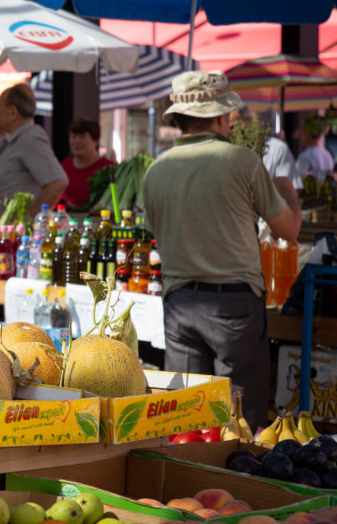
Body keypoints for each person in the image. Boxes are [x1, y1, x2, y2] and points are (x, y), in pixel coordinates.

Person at [142, 71, 302, 430]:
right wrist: (287, 191)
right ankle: (238, 487)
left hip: (179, 307)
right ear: (218, 115)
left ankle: (188, 484)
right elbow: (288, 229)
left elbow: (157, 234)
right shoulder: (241, 161)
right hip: (233, 308)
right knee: (240, 424)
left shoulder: (155, 171)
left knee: (187, 422)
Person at [0, 83, 67, 216]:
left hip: (15, 233)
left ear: (13, 112)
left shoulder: (30, 138)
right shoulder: (19, 139)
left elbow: (57, 183)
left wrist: (30, 219)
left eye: (0, 106)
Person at [60, 118, 115, 208]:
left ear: (95, 141)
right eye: (73, 137)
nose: (77, 141)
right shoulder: (65, 165)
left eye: (82, 137)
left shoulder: (108, 167)